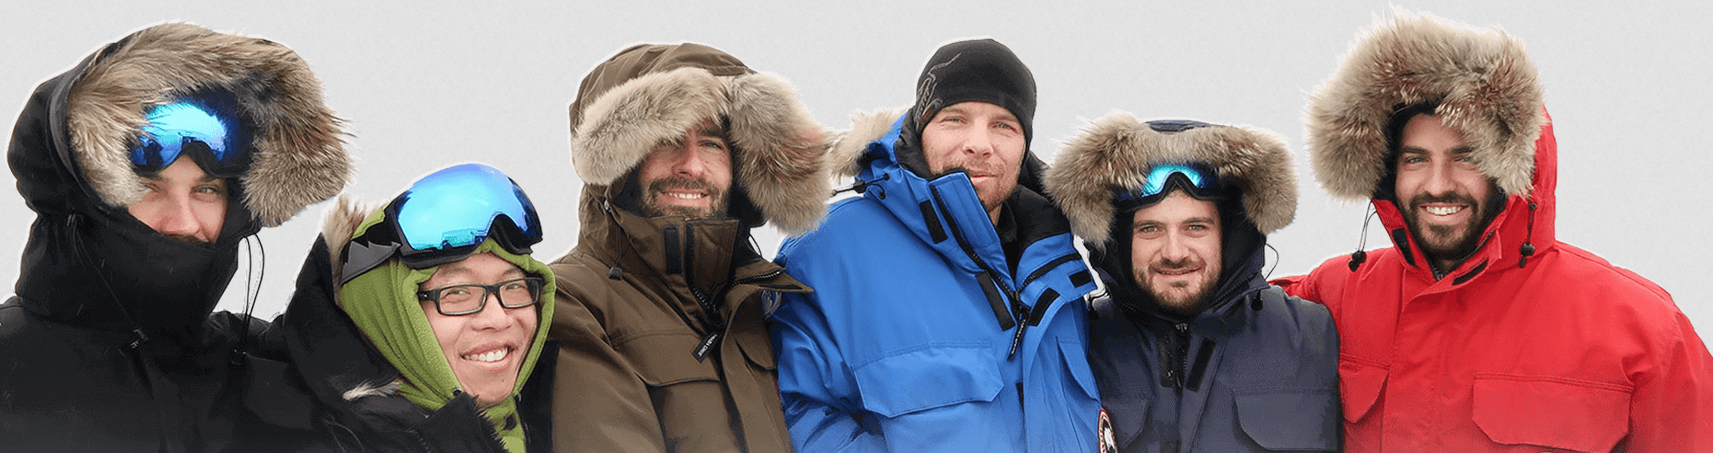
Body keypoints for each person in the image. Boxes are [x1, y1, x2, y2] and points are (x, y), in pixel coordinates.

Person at [1276, 11, 1713, 452]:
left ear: (1511, 170)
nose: (1438, 184)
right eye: (1415, 159)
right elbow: (1226, 311)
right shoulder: (1335, 294)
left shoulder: (1644, 331)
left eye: (1466, 158)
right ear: (1386, 172)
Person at [0, 23, 353, 451]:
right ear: (85, 197)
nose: (183, 222)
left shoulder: (280, 371)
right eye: (150, 187)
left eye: (206, 190)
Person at [770, 38, 1102, 452]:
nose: (980, 144)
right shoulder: (831, 249)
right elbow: (792, 410)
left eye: (1004, 125)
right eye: (956, 119)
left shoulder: (1057, 264)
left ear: (1024, 145)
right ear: (919, 128)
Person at [547, 42, 830, 452]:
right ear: (621, 166)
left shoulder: (763, 303)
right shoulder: (572, 302)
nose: (693, 165)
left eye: (713, 143)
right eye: (667, 140)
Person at [1047, 113, 1338, 452]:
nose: (1174, 252)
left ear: (1230, 237)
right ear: (1116, 241)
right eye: (1150, 229)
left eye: (1195, 227)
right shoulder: (1072, 344)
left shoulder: (1315, 337)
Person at [276, 163, 555, 452]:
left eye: (513, 287)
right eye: (458, 293)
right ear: (385, 317)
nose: (498, 318)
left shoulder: (561, 413)